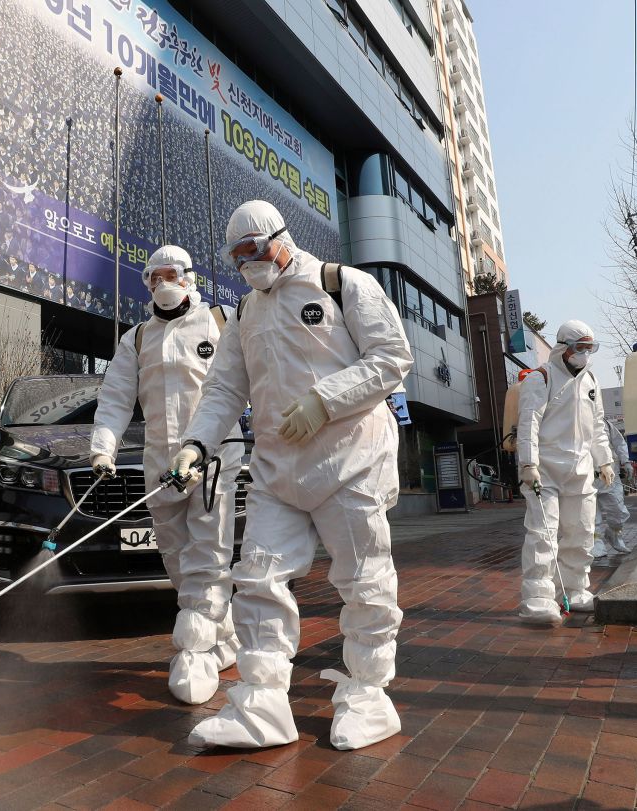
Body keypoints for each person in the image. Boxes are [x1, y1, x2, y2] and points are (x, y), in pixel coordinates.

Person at [170, 200, 413, 750]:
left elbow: (392, 357)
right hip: (278, 471)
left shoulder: (340, 283)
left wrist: (325, 401)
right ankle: (261, 703)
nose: (247, 263)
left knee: (365, 580)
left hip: (351, 459)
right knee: (256, 578)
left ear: (280, 238)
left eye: (253, 250)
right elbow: (225, 389)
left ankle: (369, 694)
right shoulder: (244, 314)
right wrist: (195, 444)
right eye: (236, 257)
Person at [90, 245, 240, 706]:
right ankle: (224, 637)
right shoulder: (137, 339)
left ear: (190, 276)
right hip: (160, 465)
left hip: (214, 457)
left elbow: (254, 377)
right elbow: (115, 398)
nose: (160, 284)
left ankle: (193, 652)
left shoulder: (223, 321)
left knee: (208, 553)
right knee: (177, 558)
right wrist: (103, 449)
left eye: (169, 274)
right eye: (151, 277)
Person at [515, 320, 614, 625]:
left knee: (581, 532)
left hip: (581, 470)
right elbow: (529, 422)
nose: (584, 354)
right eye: (579, 348)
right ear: (563, 347)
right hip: (545, 470)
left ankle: (575, 589)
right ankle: (537, 598)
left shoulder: (591, 382)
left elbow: (597, 426)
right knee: (543, 535)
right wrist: (528, 463)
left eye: (589, 348)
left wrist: (604, 460)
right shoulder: (540, 379)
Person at [593, 420, 632, 555]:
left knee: (618, 509)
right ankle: (596, 542)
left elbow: (619, 443)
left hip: (610, 476)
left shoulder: (606, 424)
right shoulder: (572, 420)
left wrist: (626, 461)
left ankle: (615, 534)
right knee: (591, 514)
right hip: (586, 478)